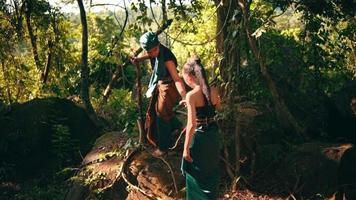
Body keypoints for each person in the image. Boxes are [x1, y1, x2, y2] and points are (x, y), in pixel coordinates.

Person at [131, 32, 186, 156]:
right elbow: (151, 55)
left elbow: (177, 79)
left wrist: (184, 96)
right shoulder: (153, 51)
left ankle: (163, 148)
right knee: (161, 111)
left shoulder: (167, 57)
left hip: (169, 86)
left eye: (154, 50)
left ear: (158, 45)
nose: (152, 54)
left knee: (161, 115)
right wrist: (139, 59)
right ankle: (180, 127)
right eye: (149, 51)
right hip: (160, 84)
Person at [180, 56, 221, 200]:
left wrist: (185, 149)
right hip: (214, 137)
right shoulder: (215, 90)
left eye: (185, 78)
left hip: (200, 139)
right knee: (210, 174)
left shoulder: (191, 95)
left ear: (191, 77)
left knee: (194, 176)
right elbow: (217, 106)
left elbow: (192, 125)